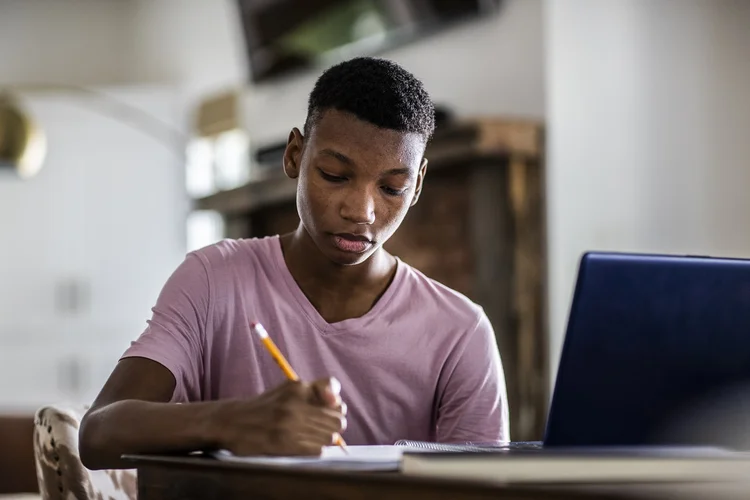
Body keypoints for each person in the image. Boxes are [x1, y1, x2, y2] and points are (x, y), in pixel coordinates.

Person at [79, 57, 509, 470]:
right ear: (294, 156)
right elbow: (97, 435)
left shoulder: (460, 333)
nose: (362, 211)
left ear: (416, 187)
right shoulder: (213, 280)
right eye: (335, 176)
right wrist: (233, 422)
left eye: (392, 188)